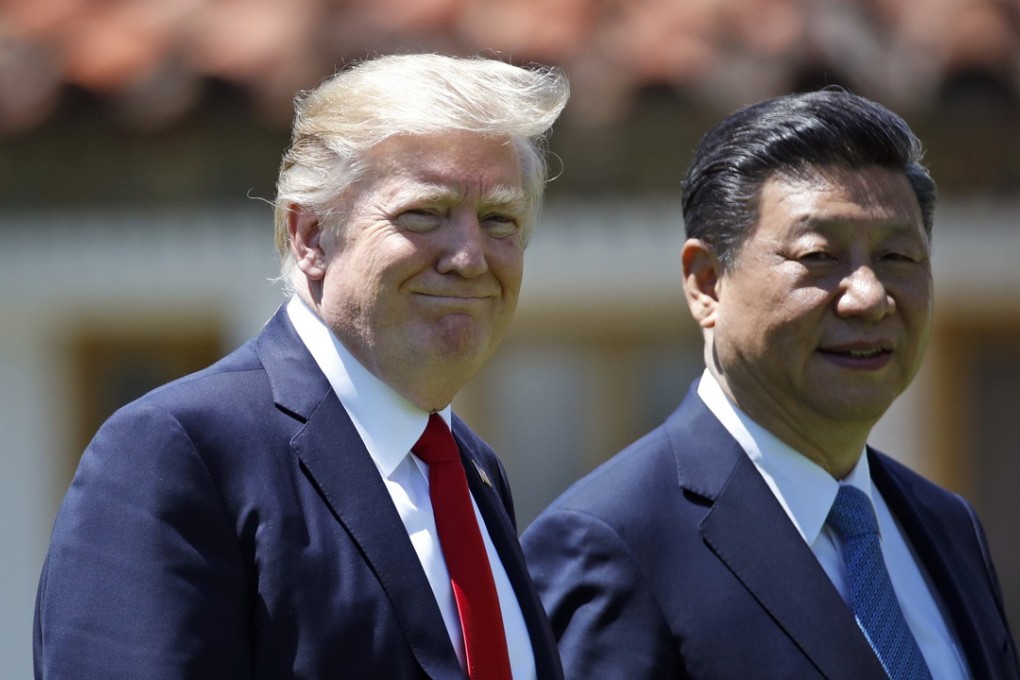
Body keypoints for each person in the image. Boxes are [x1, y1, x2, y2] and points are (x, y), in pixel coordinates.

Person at [34, 53, 569, 679]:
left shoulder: (471, 469)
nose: (469, 257)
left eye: (499, 219)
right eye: (424, 213)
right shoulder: (176, 452)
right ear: (311, 234)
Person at [522, 88, 1020, 679]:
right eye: (818, 256)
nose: (869, 296)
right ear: (707, 284)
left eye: (898, 259)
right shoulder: (614, 543)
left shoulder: (946, 526)